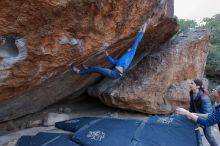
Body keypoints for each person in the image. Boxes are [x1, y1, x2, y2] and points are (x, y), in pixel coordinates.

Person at [70, 22, 147, 80]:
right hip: (114, 73)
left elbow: (137, 41)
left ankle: (79, 72)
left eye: (129, 48)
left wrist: (143, 29)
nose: (128, 48)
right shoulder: (124, 57)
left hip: (115, 74)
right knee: (97, 69)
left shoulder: (131, 52)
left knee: (97, 69)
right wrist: (107, 55)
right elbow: (113, 62)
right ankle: (87, 68)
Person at [188, 79, 218, 146]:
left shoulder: (204, 98)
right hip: (197, 118)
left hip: (206, 120)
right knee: (198, 136)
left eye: (192, 83)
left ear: (198, 86)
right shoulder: (191, 93)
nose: (190, 84)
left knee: (209, 136)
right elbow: (192, 106)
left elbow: (208, 114)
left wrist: (201, 126)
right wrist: (189, 114)